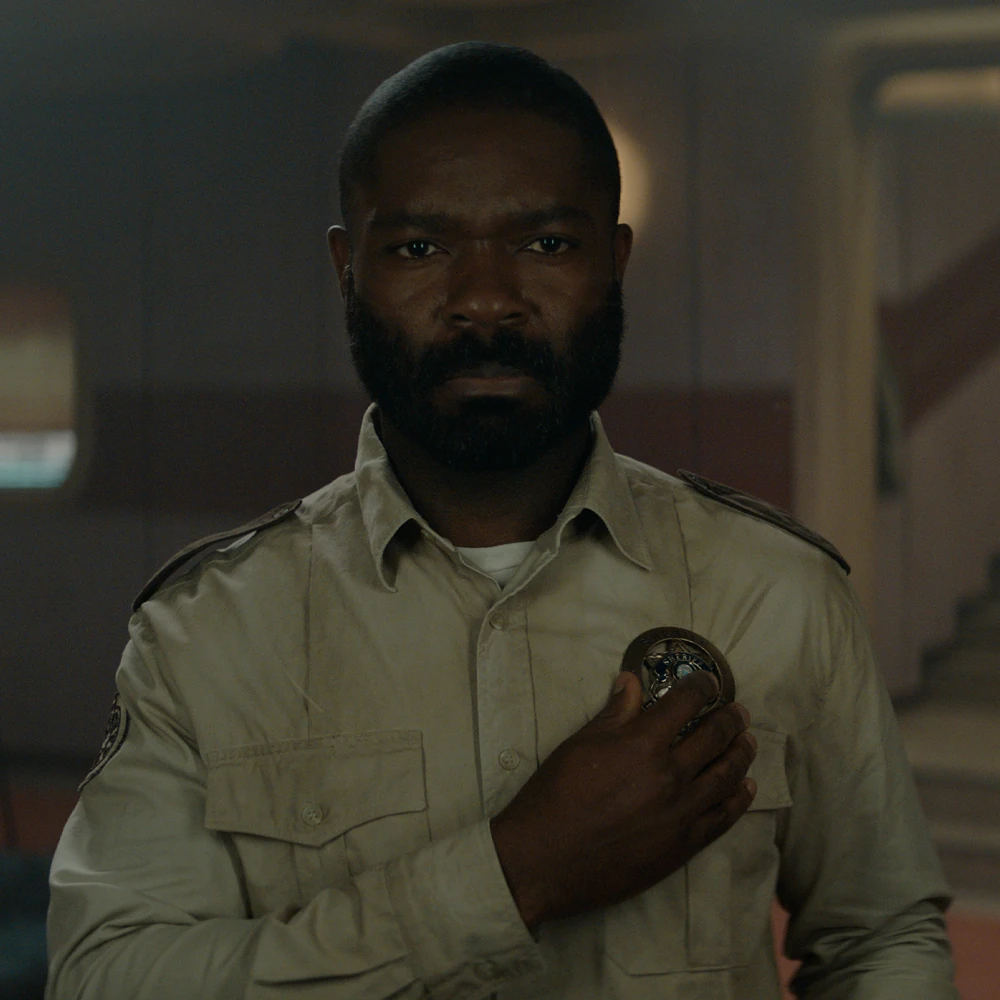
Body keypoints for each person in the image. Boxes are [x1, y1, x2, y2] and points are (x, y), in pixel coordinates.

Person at [46, 42, 956, 999]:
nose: (485, 300)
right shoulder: (205, 633)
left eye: (546, 244)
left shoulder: (777, 591)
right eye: (420, 248)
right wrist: (519, 870)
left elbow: (883, 939)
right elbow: (109, 979)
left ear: (615, 262)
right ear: (347, 270)